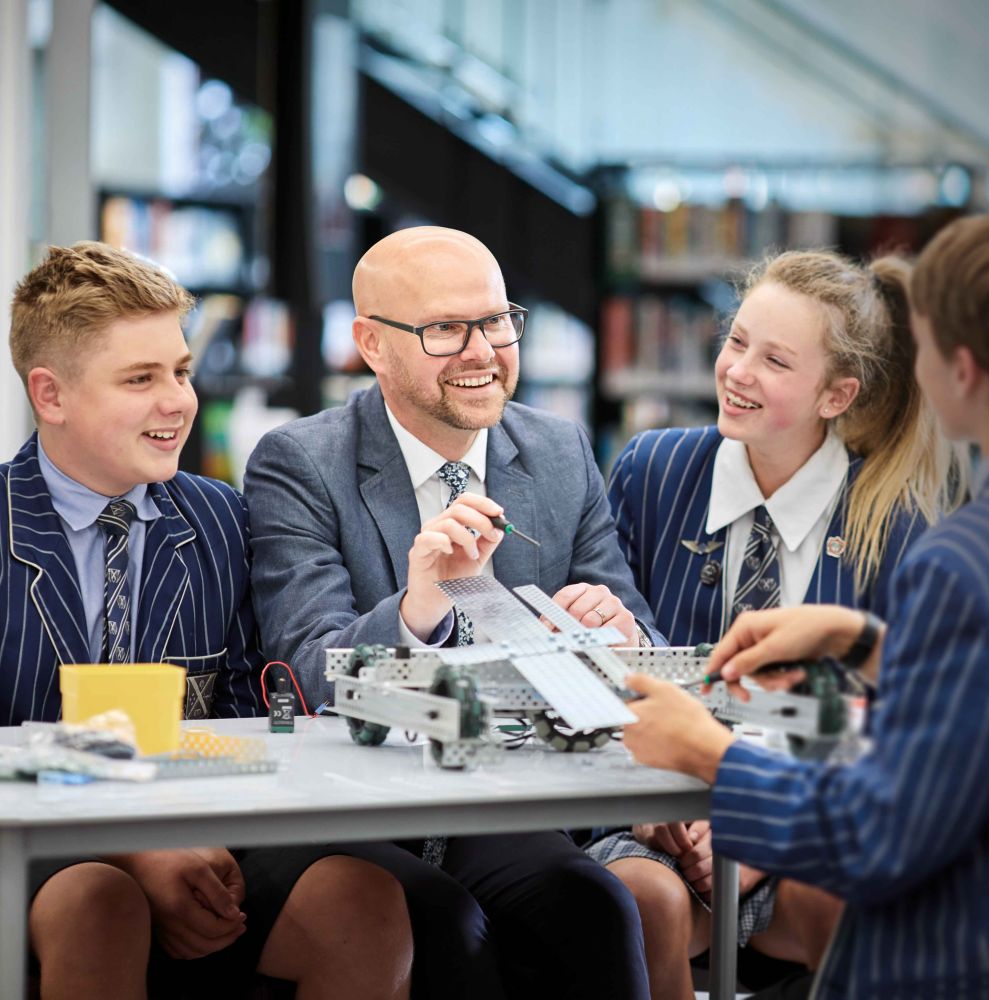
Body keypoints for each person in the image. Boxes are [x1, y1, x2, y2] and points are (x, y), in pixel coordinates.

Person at [244, 225, 662, 999]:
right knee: (450, 927)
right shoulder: (299, 462)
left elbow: (641, 646)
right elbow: (306, 671)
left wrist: (619, 632)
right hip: (360, 806)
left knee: (599, 905)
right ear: (372, 344)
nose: (483, 351)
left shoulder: (559, 450)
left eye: (498, 320)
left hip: (510, 801)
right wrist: (420, 604)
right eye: (445, 329)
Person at [2, 242, 412, 1000]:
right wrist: (132, 848)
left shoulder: (221, 518)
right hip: (28, 844)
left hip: (202, 824)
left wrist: (199, 829)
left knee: (364, 902)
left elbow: (256, 706)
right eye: (140, 378)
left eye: (182, 371)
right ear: (50, 395)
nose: (177, 401)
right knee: (100, 902)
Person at [621, 212, 989, 999]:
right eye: (736, 341)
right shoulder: (653, 471)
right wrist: (867, 642)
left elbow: (886, 818)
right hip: (654, 818)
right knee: (645, 901)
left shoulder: (936, 544)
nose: (739, 370)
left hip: (809, 830)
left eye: (777, 360)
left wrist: (724, 780)